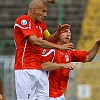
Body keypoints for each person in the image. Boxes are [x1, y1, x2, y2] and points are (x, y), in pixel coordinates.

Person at [13, 0, 74, 100]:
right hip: (25, 69)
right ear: (34, 10)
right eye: (43, 11)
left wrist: (58, 33)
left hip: (39, 69)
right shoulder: (23, 20)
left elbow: (49, 38)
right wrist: (60, 47)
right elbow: (35, 41)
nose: (45, 15)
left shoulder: (41, 23)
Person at [41, 29, 100, 100]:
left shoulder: (69, 51)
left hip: (60, 95)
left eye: (69, 33)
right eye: (64, 32)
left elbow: (88, 57)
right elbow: (43, 65)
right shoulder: (50, 48)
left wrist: (97, 44)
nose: (68, 34)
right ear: (57, 34)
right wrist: (63, 65)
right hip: (46, 94)